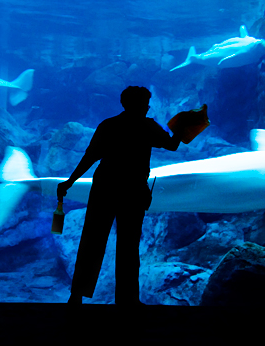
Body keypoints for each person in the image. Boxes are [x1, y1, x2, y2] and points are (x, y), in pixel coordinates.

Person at [56, 86, 181, 305]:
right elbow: (172, 145)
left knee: (92, 241)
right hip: (133, 191)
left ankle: (76, 295)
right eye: (145, 102)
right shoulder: (147, 126)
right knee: (128, 247)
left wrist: (70, 181)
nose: (148, 106)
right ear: (140, 104)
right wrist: (181, 129)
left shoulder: (109, 125)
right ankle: (128, 300)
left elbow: (90, 156)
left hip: (105, 187)